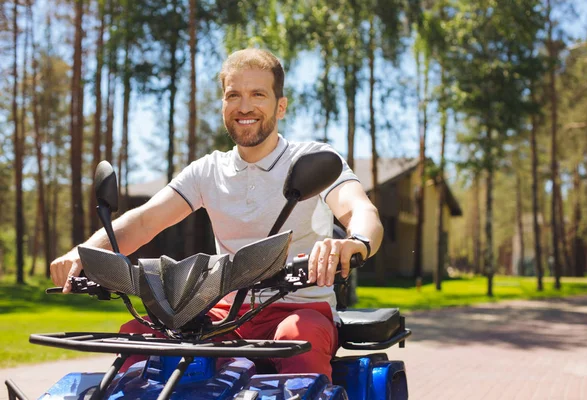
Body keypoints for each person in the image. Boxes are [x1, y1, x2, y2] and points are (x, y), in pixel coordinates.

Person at [50, 48, 383, 381]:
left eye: (258, 94)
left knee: (297, 343)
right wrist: (86, 254)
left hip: (300, 306)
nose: (244, 106)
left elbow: (359, 208)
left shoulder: (313, 158)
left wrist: (355, 242)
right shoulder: (207, 170)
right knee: (137, 337)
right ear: (223, 105)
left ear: (280, 105)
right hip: (225, 310)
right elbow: (146, 220)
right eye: (233, 95)